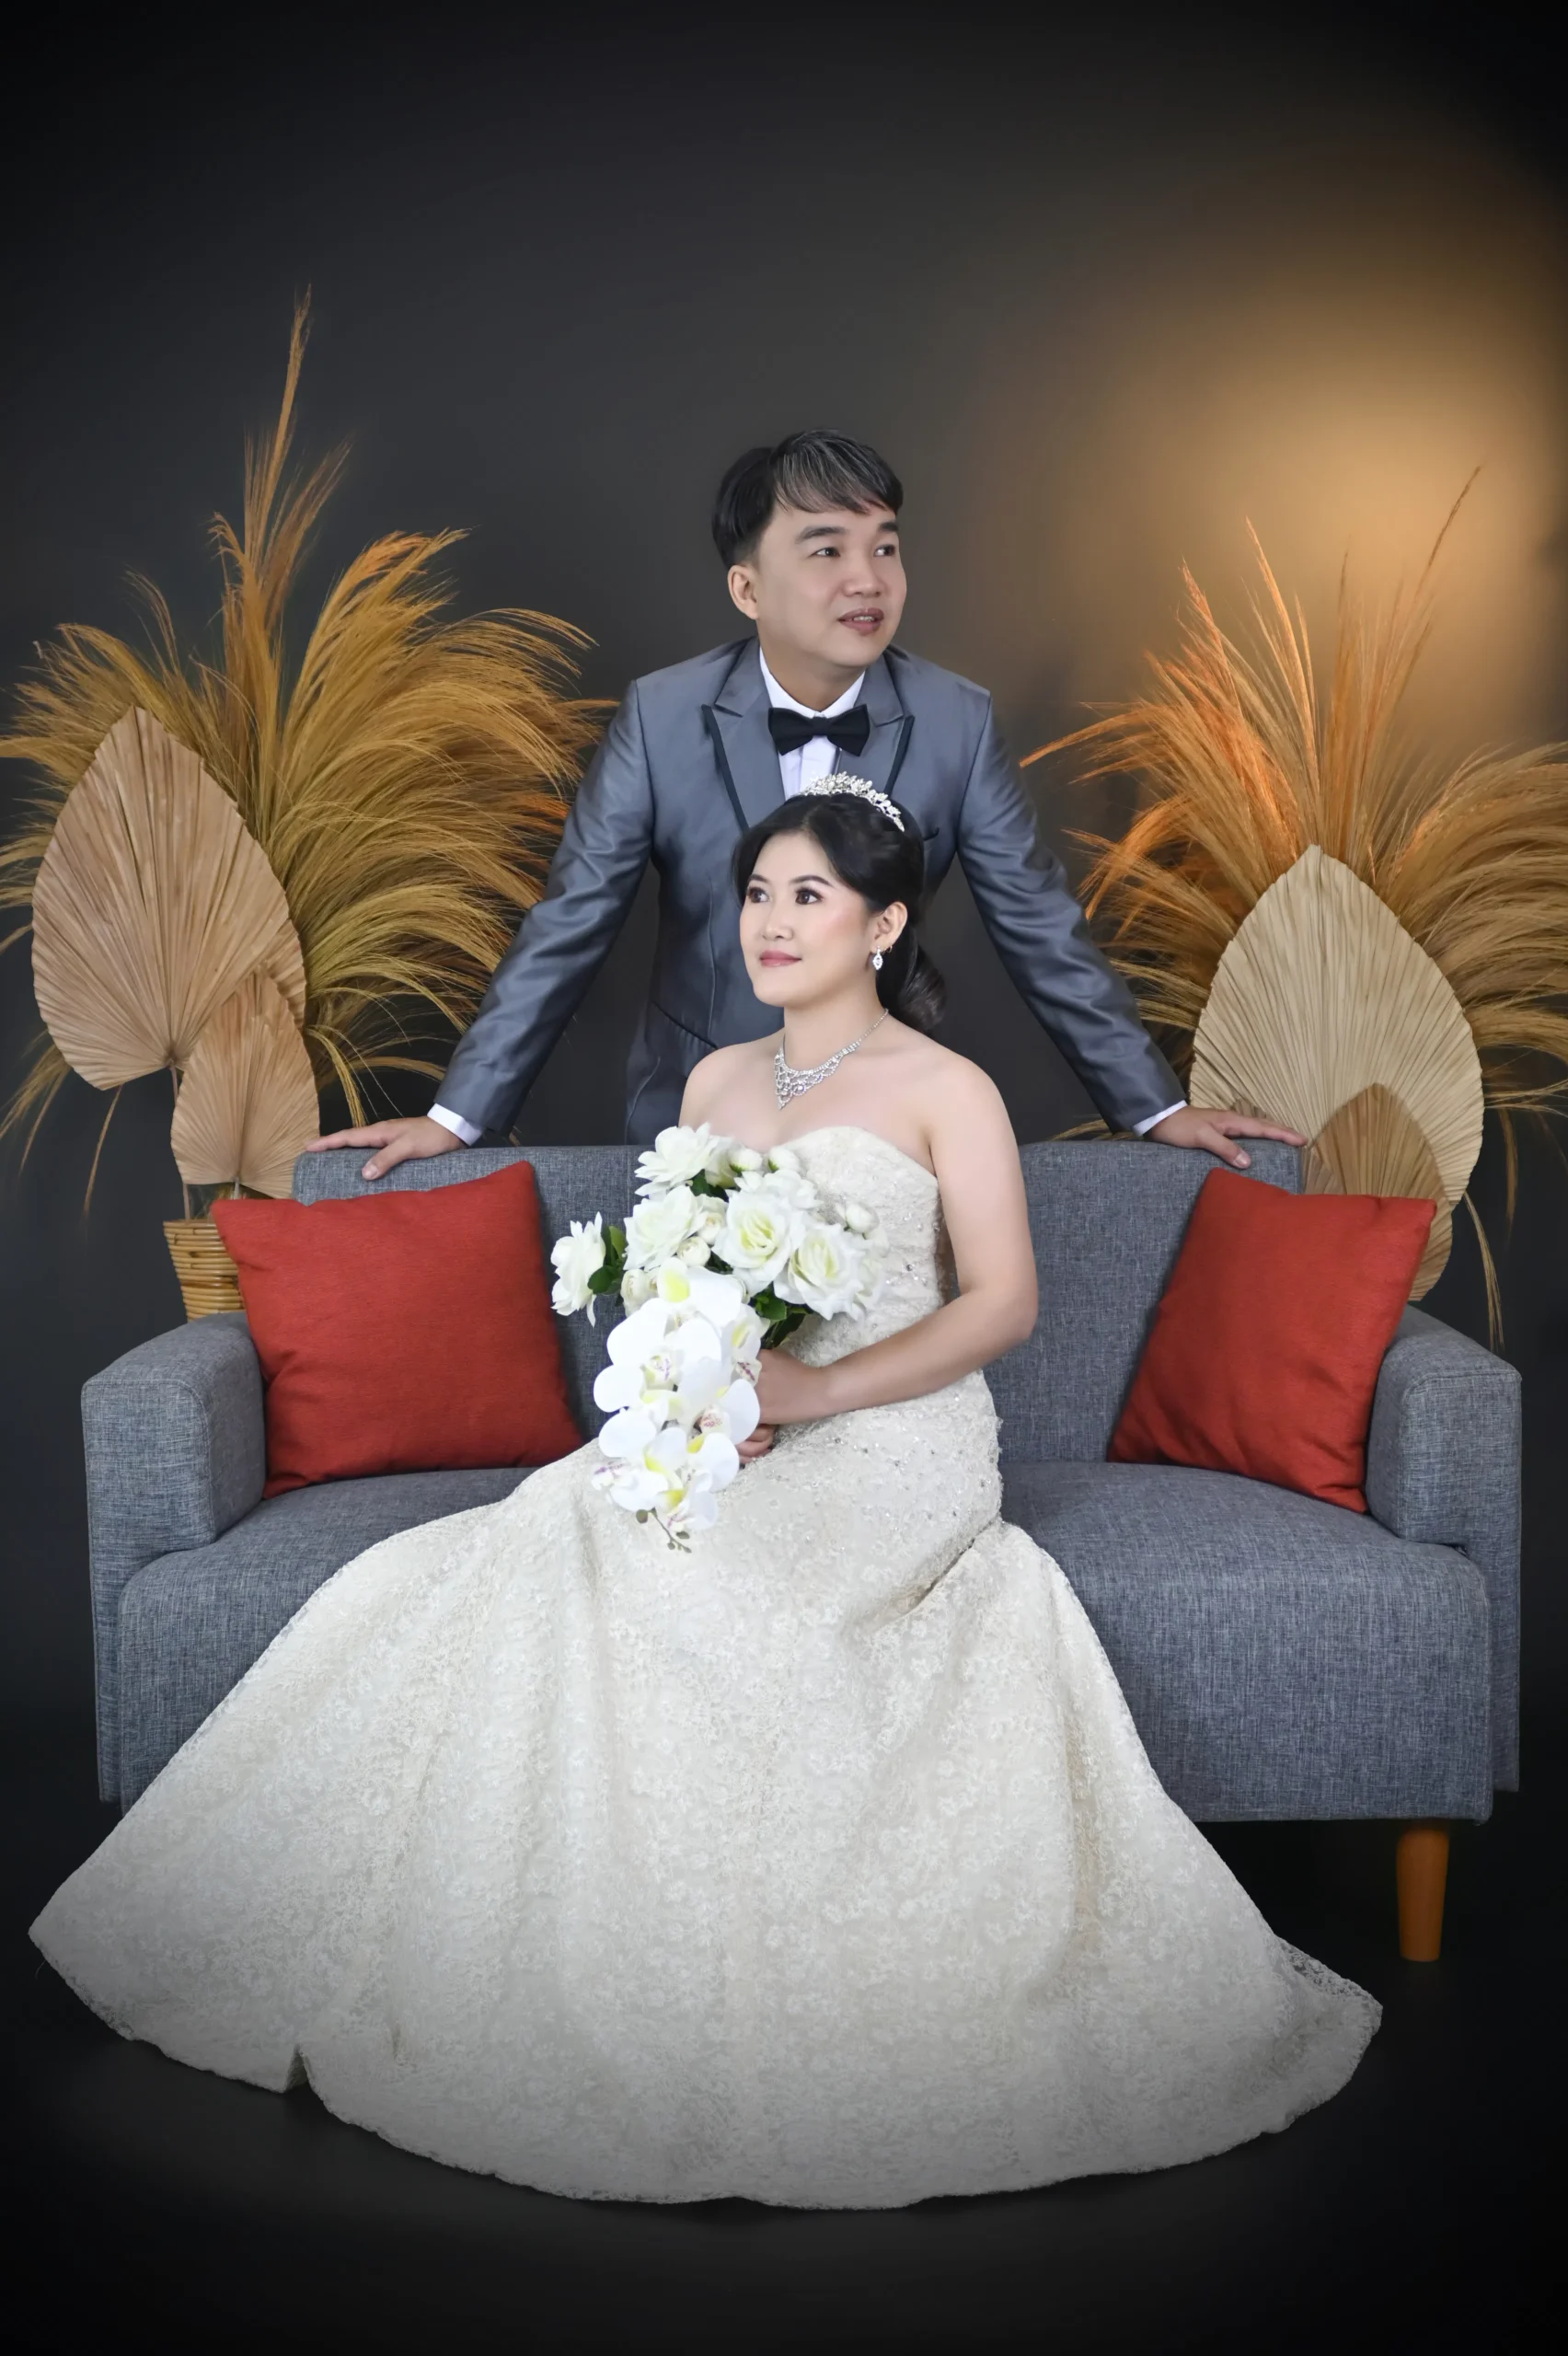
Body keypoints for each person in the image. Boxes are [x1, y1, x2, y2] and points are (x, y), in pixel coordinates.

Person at [31, 780, 1376, 2210]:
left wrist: (809, 1396)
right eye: (755, 895)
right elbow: (683, 1286)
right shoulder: (714, 1083)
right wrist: (705, 1394)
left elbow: (1002, 1306)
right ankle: (540, 1946)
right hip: (734, 1423)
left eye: (808, 896)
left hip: (893, 1438)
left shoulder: (946, 1090)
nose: (771, 923)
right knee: (529, 1539)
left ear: (882, 924)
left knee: (713, 1582)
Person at [311, 431, 1298, 1175]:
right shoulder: (662, 717)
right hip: (695, 1124)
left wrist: (1156, 1110)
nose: (868, 580)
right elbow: (570, 925)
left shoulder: (956, 721)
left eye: (886, 548)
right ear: (747, 588)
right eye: (826, 551)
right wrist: (457, 1120)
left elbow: (1041, 926)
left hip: (885, 1128)